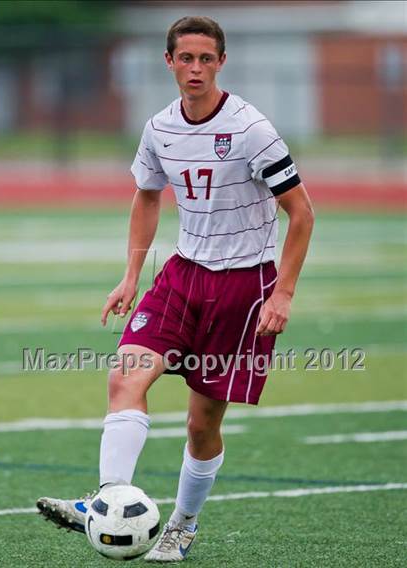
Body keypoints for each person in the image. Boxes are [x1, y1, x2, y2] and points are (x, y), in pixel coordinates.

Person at [37, 16, 314, 562]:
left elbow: (301, 213)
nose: (195, 69)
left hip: (244, 288)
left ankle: (182, 526)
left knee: (201, 421)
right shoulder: (159, 127)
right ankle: (108, 500)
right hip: (182, 275)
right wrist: (131, 276)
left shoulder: (251, 128)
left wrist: (282, 294)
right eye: (185, 58)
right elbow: (146, 197)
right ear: (169, 62)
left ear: (221, 62)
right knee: (124, 376)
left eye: (205, 59)